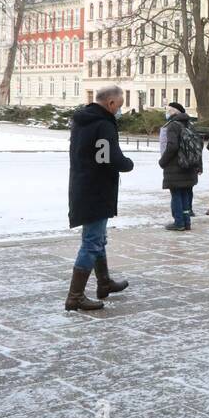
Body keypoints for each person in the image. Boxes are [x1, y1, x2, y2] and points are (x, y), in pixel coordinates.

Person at [66, 85, 134, 311]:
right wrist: (127, 164)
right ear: (111, 103)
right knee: (92, 242)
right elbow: (107, 158)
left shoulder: (81, 120)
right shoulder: (103, 124)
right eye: (119, 106)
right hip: (96, 189)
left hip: (83, 185)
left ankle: (104, 283)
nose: (119, 111)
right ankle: (75, 297)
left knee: (97, 238)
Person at [158, 102, 201, 231]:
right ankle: (186, 222)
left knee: (176, 194)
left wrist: (163, 161)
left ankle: (178, 222)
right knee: (186, 194)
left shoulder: (173, 126)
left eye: (169, 110)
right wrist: (198, 165)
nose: (167, 112)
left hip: (175, 166)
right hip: (190, 166)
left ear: (174, 112)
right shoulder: (190, 125)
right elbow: (199, 146)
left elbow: (172, 146)